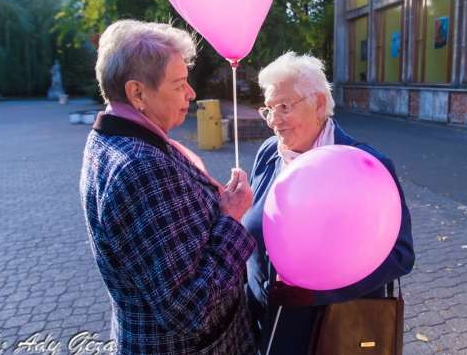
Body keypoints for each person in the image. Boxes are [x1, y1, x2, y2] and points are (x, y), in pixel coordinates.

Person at [79, 20, 257, 355]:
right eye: (178, 85)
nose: (191, 93)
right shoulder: (140, 167)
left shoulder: (114, 139)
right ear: (137, 93)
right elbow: (191, 308)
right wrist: (232, 217)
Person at [243, 52, 415, 355]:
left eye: (284, 106)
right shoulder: (270, 153)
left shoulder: (365, 166)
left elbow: (400, 255)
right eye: (268, 109)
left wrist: (319, 292)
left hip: (330, 329)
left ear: (319, 104)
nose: (274, 121)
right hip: (262, 324)